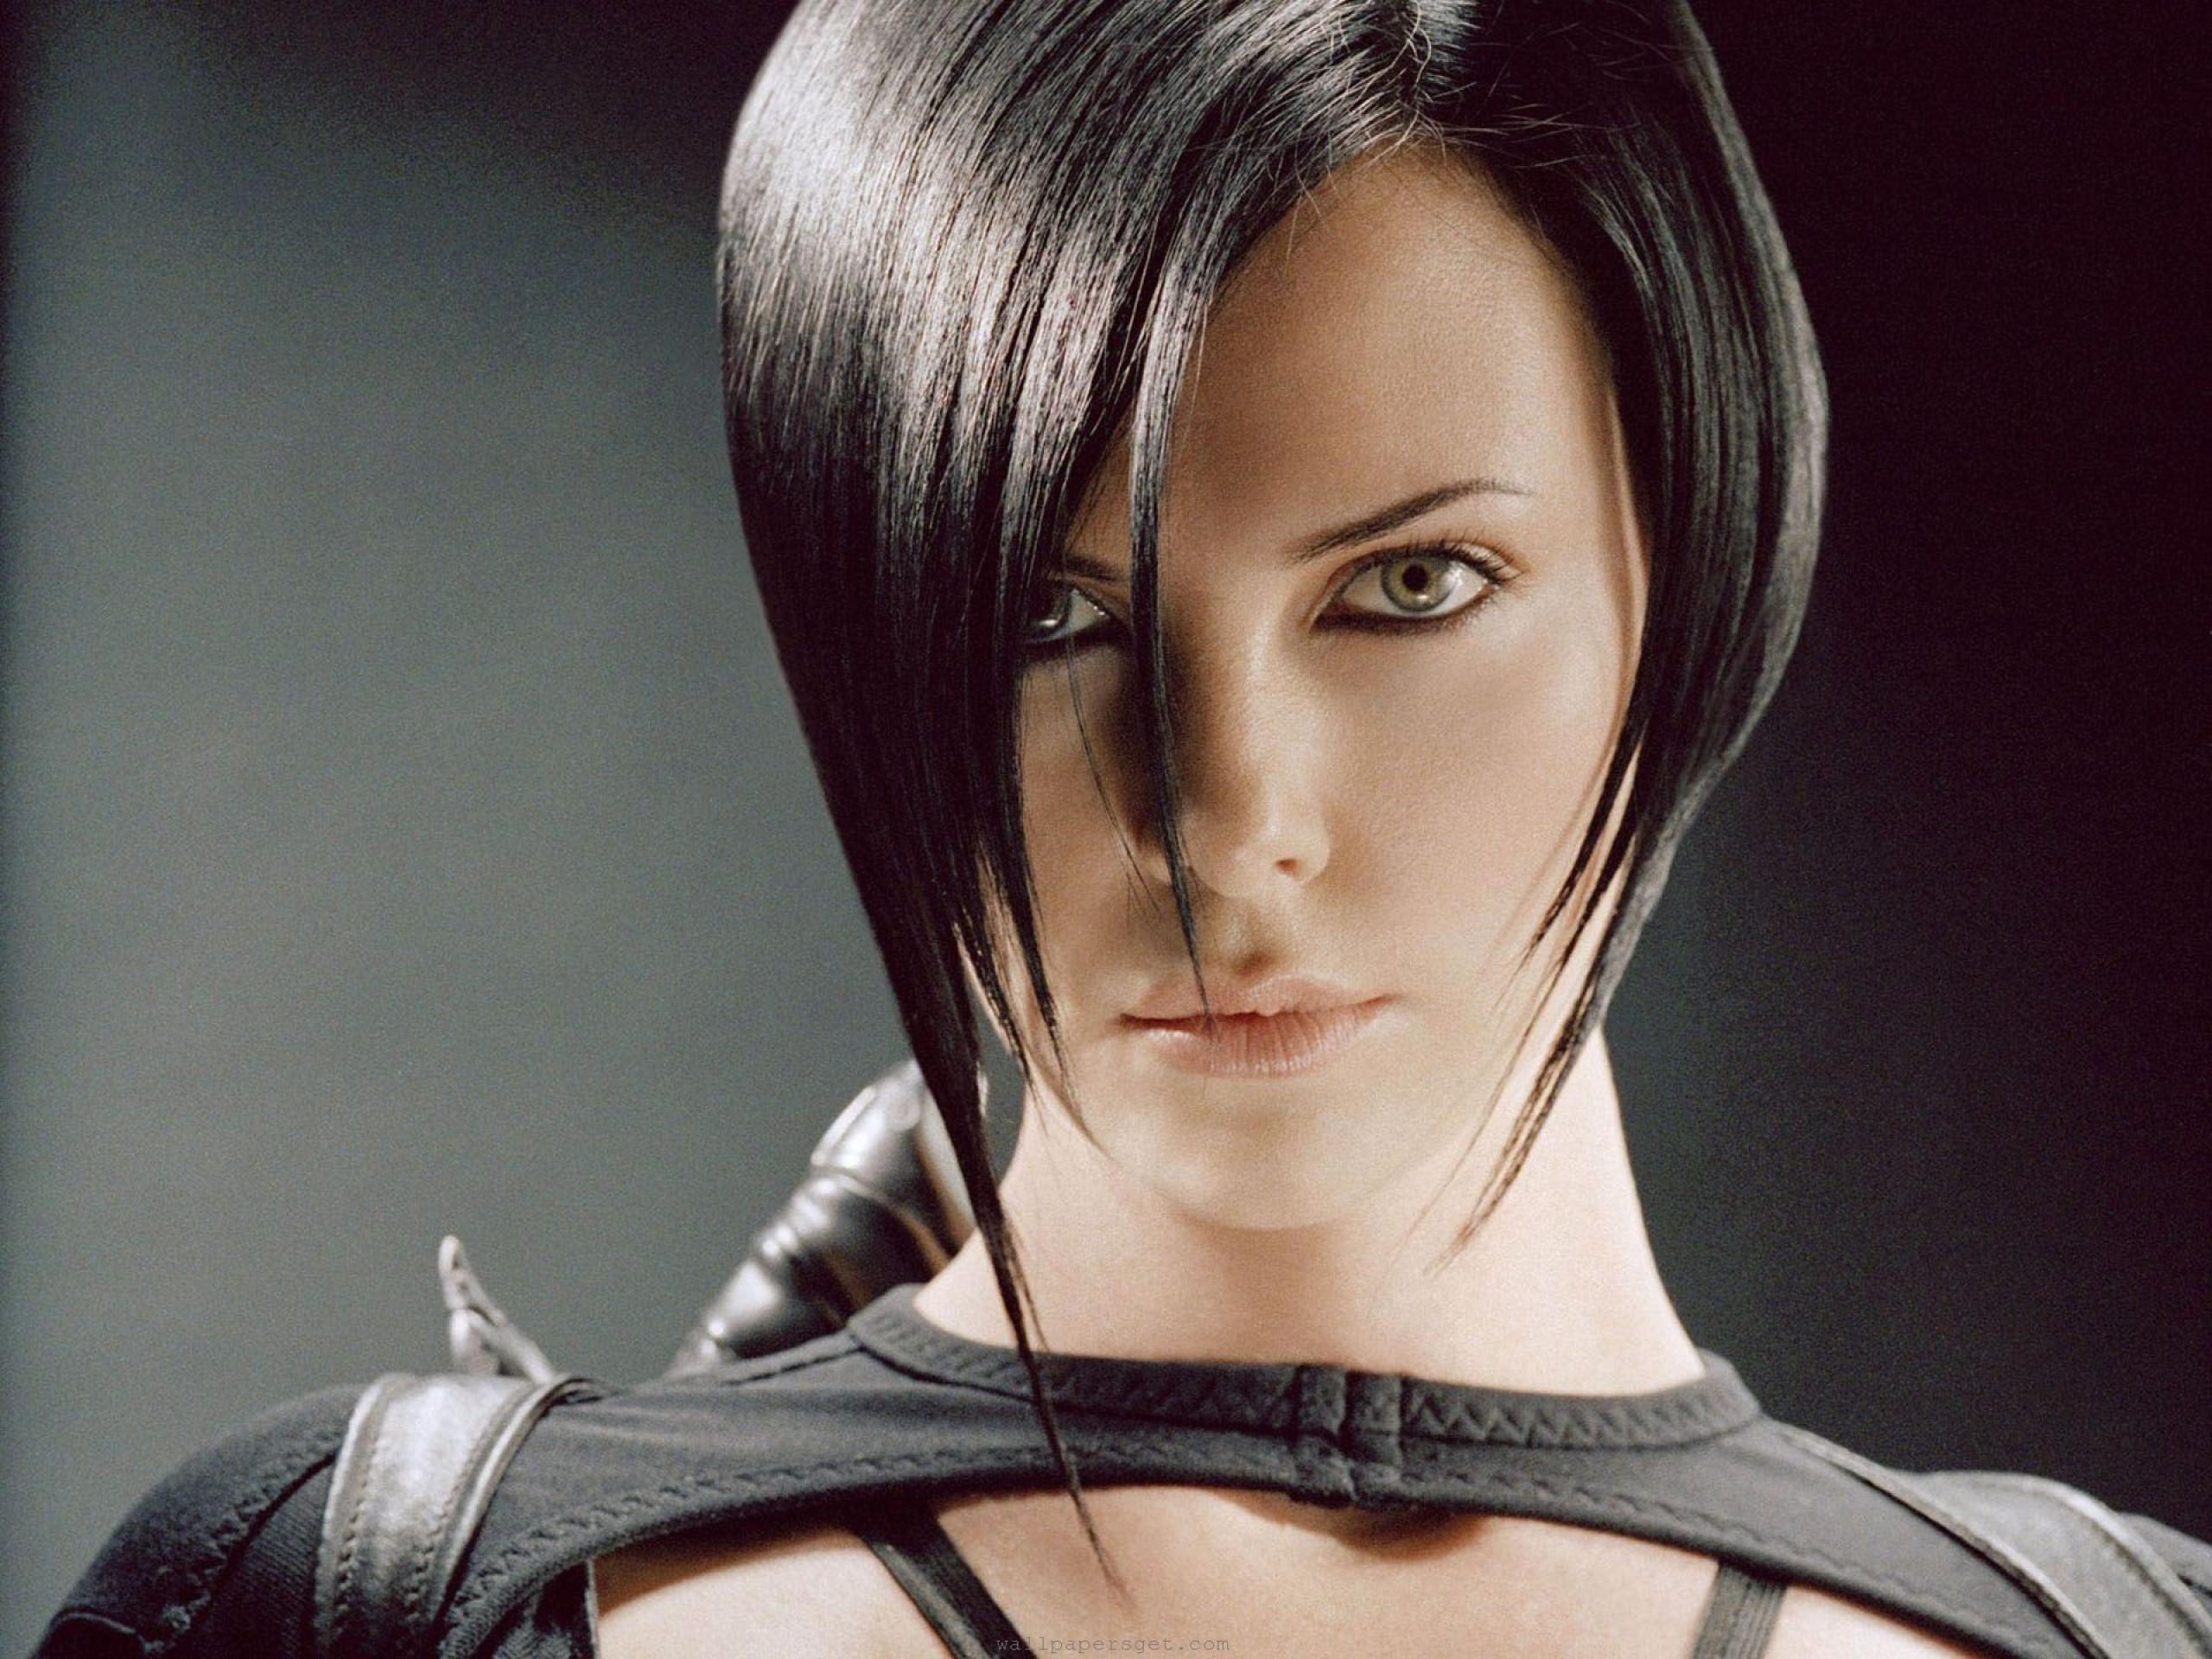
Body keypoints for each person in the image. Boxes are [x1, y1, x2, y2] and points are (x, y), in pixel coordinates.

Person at [33, 3, 2211, 1657]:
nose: (1223, 828)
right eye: (1039, 614)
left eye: (1410, 585)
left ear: (1691, 567)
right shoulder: (369, 1596)